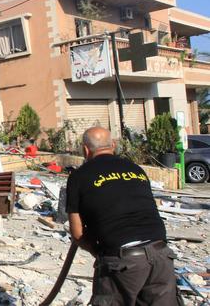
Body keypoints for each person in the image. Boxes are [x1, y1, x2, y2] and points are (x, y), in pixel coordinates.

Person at [66, 127, 180, 305]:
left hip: (122, 261)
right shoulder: (136, 169)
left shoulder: (79, 177)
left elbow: (77, 232)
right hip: (161, 256)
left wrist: (99, 254)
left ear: (85, 150)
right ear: (113, 145)